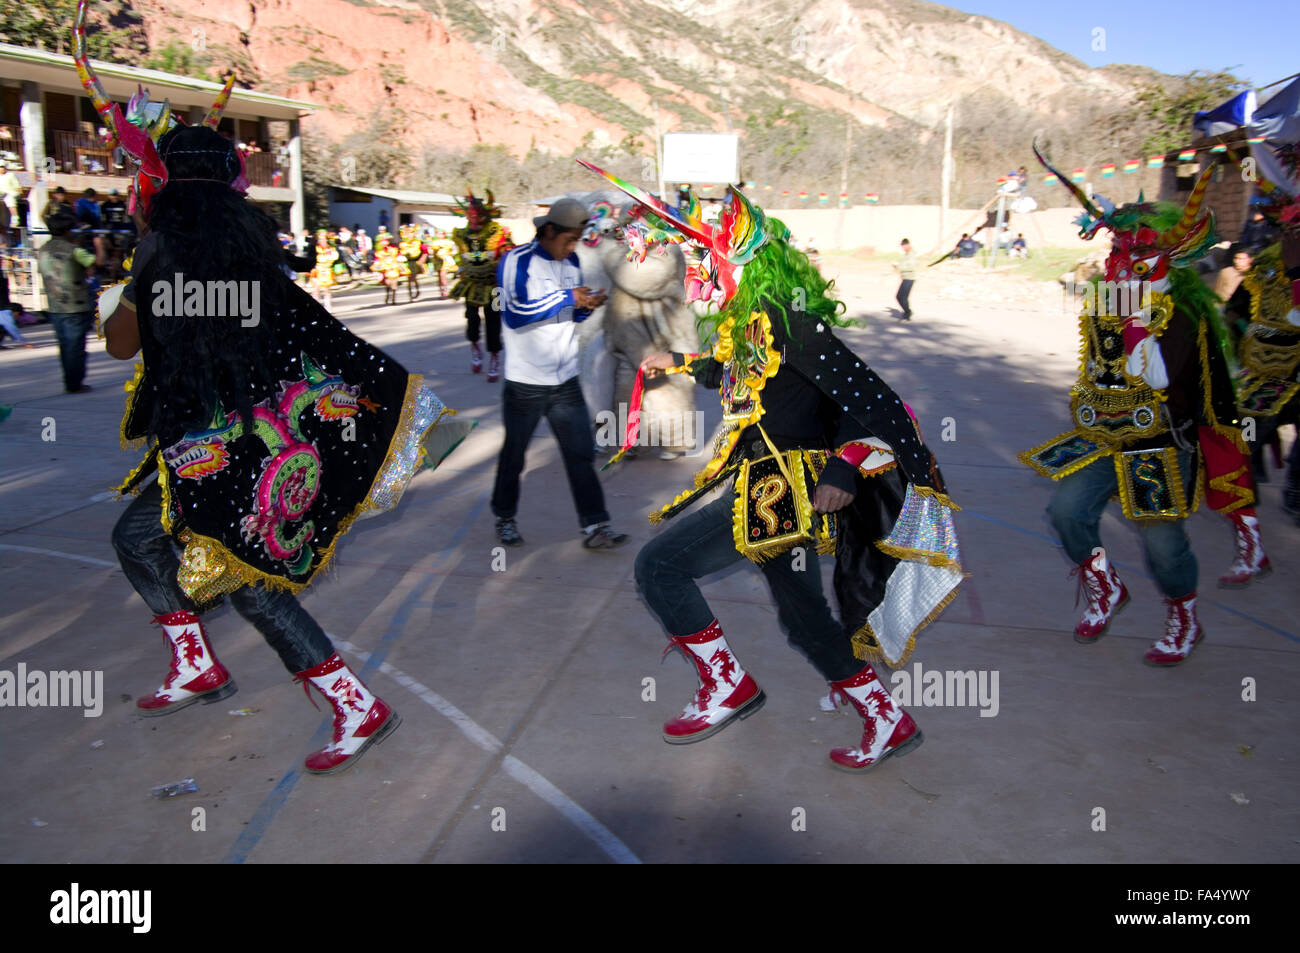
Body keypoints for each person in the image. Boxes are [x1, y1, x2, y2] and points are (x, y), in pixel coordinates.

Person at [93, 109, 467, 774]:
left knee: (237, 580)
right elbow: (328, 339)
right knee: (190, 559)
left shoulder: (157, 257)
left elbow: (121, 343)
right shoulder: (252, 266)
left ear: (160, 187)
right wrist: (410, 411)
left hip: (209, 459)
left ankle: (348, 704)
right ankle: (201, 661)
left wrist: (135, 263)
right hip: (245, 451)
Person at [581, 161, 962, 770]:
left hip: (790, 487)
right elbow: (742, 376)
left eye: (703, 260)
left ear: (741, 263)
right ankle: (883, 717)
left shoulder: (789, 322)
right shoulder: (750, 324)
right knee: (800, 612)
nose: (694, 272)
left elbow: (869, 400)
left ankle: (730, 685)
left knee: (661, 567)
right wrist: (678, 361)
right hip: (767, 481)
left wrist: (844, 470)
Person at [1022, 147, 1250, 663]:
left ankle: (1184, 616)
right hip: (1108, 433)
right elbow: (1100, 366)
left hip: (1161, 442)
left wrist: (1132, 317)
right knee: (1065, 511)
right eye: (1119, 251)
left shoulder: (1182, 311)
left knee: (1162, 541)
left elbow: (1157, 375)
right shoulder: (1111, 300)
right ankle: (1105, 586)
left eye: (1135, 253)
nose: (1121, 262)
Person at [491, 196, 627, 550]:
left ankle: (595, 525)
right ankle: (504, 517)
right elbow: (514, 313)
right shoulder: (516, 261)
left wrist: (586, 305)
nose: (572, 248)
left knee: (581, 456)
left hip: (565, 381)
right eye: (568, 240)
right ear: (548, 231)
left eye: (577, 240)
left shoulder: (574, 262)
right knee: (515, 455)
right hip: (525, 384)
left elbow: (570, 315)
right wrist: (568, 297)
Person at [37, 206, 105, 392]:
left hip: (55, 305)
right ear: (68, 230)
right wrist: (99, 244)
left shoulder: (42, 250)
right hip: (76, 304)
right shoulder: (75, 250)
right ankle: (75, 383)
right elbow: (97, 263)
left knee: (65, 346)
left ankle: (69, 381)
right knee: (76, 347)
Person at [450, 189, 513, 380]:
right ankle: (475, 348)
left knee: (494, 322)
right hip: (471, 283)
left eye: (477, 215)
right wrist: (463, 263)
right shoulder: (462, 234)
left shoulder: (497, 231)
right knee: (471, 318)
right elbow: (459, 255)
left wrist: (499, 254)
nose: (474, 219)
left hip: (495, 285)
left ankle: (494, 358)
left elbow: (506, 252)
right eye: (470, 215)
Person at [0, 263, 34, 348]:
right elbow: (12, 329)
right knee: (5, 327)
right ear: (16, 312)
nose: (17, 318)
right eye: (18, 315)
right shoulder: (6, 315)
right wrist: (24, 343)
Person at [894, 237, 916, 320]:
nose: (903, 248)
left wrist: (899, 267)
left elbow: (911, 267)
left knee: (903, 297)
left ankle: (907, 313)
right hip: (905, 278)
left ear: (907, 245)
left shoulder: (911, 254)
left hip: (910, 278)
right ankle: (907, 311)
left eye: (903, 246)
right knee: (899, 296)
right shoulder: (906, 254)